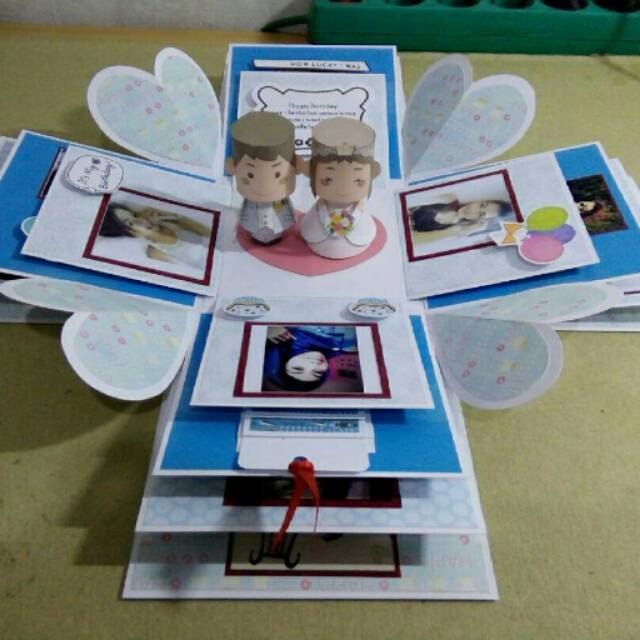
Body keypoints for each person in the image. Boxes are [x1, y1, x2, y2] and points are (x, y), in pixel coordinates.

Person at [300, 117, 381, 260]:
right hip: (318, 238)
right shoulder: (320, 207)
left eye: (358, 181)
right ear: (311, 172)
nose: (343, 190)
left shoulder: (359, 209)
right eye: (327, 180)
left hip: (357, 239)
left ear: (372, 174)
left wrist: (356, 215)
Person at [225, 111, 303, 245]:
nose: (264, 185)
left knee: (279, 222)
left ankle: (276, 235)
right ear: (232, 167)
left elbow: (285, 214)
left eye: (277, 174)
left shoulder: (281, 201)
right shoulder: (250, 201)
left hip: (278, 226)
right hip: (253, 229)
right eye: (251, 175)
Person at [98, 202, 211, 270]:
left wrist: (171, 217)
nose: (140, 220)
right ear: (128, 234)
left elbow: (211, 235)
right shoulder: (155, 253)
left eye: (133, 215)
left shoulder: (171, 222)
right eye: (130, 223)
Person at [262, 325, 362, 393]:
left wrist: (267, 327)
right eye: (317, 372)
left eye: (298, 368)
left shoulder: (284, 329)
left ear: (281, 361)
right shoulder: (348, 344)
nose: (313, 365)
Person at [409, 194, 514, 238]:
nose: (473, 210)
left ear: (479, 219)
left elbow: (415, 242)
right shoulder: (449, 199)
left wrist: (471, 228)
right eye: (482, 205)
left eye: (481, 214)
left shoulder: (454, 230)